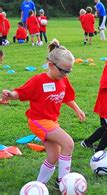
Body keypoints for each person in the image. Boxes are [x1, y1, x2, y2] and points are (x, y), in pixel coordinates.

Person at [2, 39, 85, 186]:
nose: (66, 74)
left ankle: (39, 185)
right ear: (51, 65)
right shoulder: (38, 81)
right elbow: (21, 93)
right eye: (63, 71)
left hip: (52, 121)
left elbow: (67, 98)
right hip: (38, 121)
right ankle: (63, 182)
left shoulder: (63, 80)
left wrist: (77, 109)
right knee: (68, 143)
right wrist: (11, 95)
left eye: (69, 71)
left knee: (53, 156)